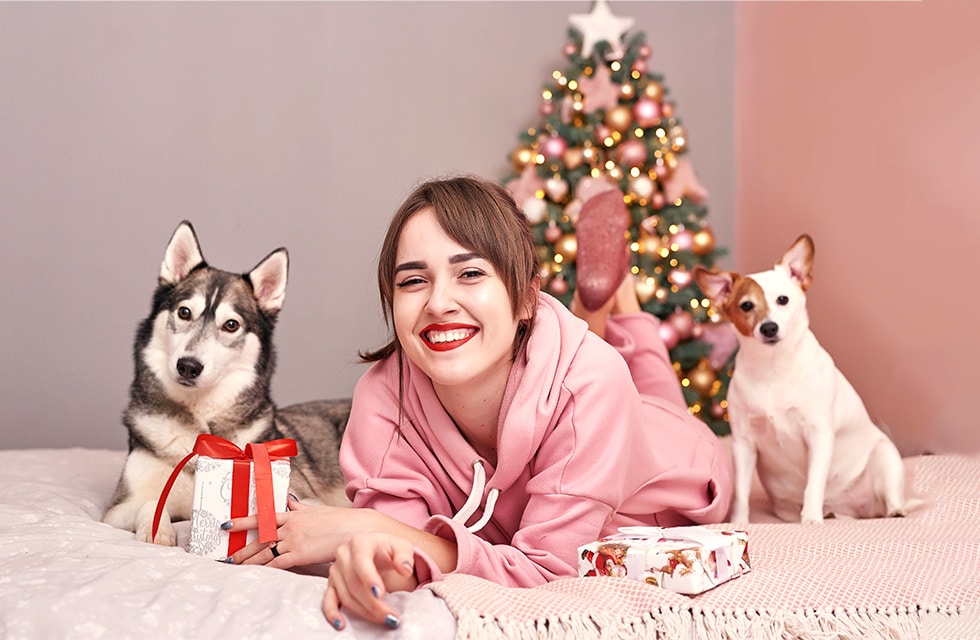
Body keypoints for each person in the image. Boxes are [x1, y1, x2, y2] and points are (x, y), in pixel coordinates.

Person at [224, 175, 733, 630]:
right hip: (580, 390)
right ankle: (599, 307)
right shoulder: (382, 397)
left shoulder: (593, 387)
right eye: (413, 280)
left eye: (469, 274)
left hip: (669, 453)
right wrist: (368, 557)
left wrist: (373, 527)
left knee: (651, 395)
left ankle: (616, 303)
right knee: (609, 374)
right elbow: (402, 548)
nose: (438, 302)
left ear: (528, 296)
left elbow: (546, 572)